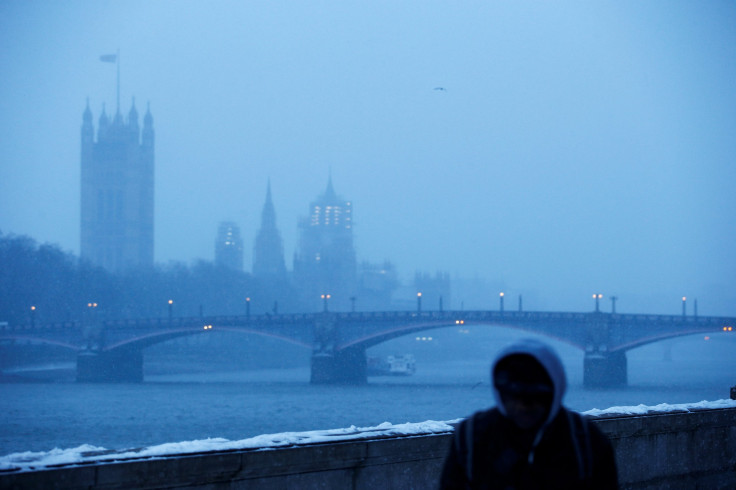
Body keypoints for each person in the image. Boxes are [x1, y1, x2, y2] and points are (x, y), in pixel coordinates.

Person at [440, 338, 618, 489]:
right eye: (514, 397)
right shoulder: (585, 440)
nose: (522, 407)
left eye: (533, 397)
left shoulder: (471, 437)